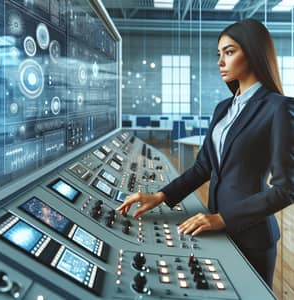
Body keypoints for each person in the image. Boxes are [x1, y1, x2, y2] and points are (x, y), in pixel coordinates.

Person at [117, 19, 294, 289]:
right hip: (216, 228)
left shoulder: (278, 108)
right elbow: (204, 167)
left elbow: (285, 189)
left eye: (230, 52)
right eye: (219, 54)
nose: (220, 61)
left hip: (252, 236)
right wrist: (161, 196)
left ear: (253, 51)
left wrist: (224, 218)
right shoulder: (223, 108)